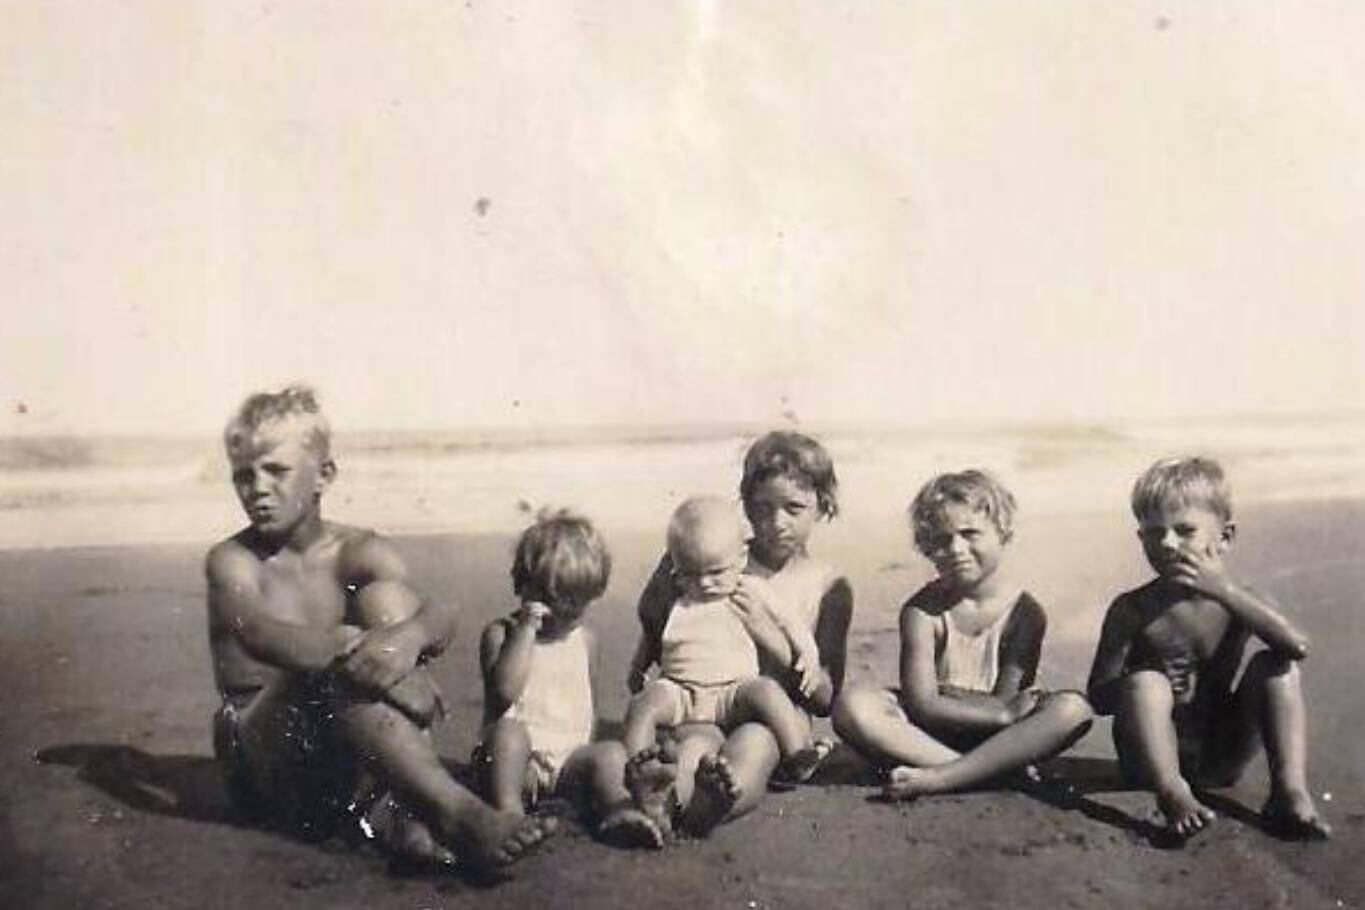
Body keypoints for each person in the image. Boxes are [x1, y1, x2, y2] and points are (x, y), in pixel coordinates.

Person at [206, 385, 553, 876]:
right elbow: (259, 633)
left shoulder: (356, 549)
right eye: (243, 475)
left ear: (324, 475)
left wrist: (405, 642)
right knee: (329, 666)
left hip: (344, 753)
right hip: (266, 763)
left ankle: (402, 813)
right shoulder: (233, 561)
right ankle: (458, 814)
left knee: (387, 602)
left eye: (275, 471)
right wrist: (362, 652)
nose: (257, 488)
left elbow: (440, 613)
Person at [1087, 456, 1330, 841]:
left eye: (1184, 530)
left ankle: (1290, 791)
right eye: (1153, 533)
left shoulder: (1240, 600)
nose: (1167, 543)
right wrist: (1148, 687)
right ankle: (1173, 793)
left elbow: (1296, 646)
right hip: (1147, 761)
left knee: (1276, 667)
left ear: (1225, 537)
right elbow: (1099, 696)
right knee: (1147, 683)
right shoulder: (1132, 608)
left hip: (1221, 755)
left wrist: (1224, 590)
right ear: (1140, 539)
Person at [627, 431, 853, 837]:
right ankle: (662, 805)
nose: (776, 523)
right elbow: (659, 625)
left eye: (794, 508)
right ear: (745, 504)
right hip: (700, 701)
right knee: (695, 748)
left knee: (753, 750)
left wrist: (769, 637)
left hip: (773, 719)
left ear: (823, 505)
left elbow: (824, 699)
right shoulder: (715, 556)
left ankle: (713, 808)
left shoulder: (829, 586)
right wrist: (669, 577)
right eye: (762, 508)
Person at [833, 470, 1092, 801]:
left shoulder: (1025, 613)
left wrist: (997, 711)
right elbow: (923, 705)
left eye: (970, 533)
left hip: (997, 738)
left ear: (1003, 534)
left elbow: (1006, 701)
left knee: (1073, 709)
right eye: (941, 540)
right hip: (925, 737)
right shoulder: (922, 611)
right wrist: (1002, 713)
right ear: (927, 548)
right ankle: (982, 774)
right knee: (853, 704)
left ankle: (945, 776)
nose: (956, 549)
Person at [475, 509, 665, 848]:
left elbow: (588, 704)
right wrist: (527, 630)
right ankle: (510, 815)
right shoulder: (502, 634)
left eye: (576, 607)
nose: (563, 617)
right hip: (517, 766)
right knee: (508, 735)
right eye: (551, 601)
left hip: (568, 763)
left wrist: (589, 757)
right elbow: (503, 693)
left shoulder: (585, 640)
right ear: (522, 584)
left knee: (610, 753)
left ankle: (618, 810)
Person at [621, 497, 824, 781]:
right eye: (689, 573)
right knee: (643, 706)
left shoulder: (750, 589)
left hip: (734, 692)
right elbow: (653, 637)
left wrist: (809, 655)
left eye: (716, 572)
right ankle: (639, 766)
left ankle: (798, 753)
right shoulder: (675, 598)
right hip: (681, 691)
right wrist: (638, 666)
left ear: (741, 558)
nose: (704, 583)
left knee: (766, 691)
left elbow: (791, 622)